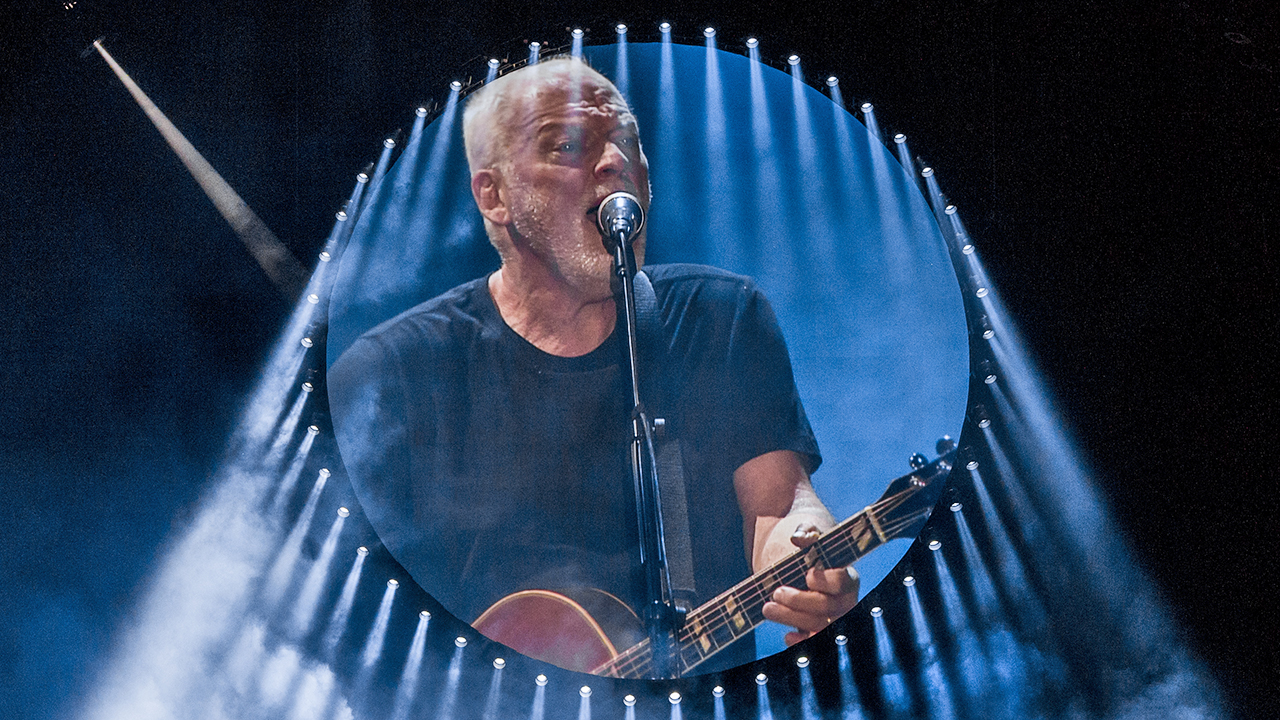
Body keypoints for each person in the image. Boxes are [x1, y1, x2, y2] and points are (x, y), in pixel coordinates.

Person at [327, 57, 857, 675]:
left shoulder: (718, 318)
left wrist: (808, 559)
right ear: (494, 195)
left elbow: (781, 507)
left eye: (626, 141)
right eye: (567, 145)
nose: (612, 162)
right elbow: (341, 604)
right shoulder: (394, 374)